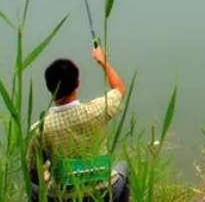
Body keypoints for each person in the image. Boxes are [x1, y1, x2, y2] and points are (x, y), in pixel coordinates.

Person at [27, 46, 129, 202]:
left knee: (32, 188)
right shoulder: (98, 110)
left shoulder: (40, 129)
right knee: (123, 167)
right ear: (77, 83)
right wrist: (103, 61)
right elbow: (119, 89)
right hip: (105, 192)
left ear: (49, 88)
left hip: (63, 198)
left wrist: (46, 178)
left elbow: (33, 172)